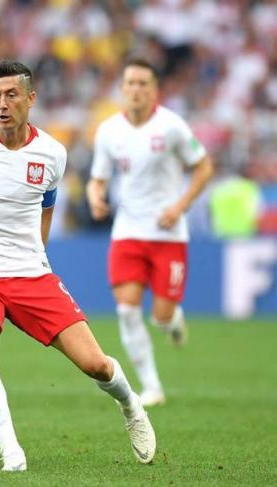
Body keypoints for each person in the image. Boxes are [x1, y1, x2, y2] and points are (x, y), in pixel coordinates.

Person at [0, 60, 156, 472]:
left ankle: (131, 405)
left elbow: (46, 206)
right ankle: (11, 452)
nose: (2, 104)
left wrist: (38, 253)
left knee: (95, 364)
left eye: (11, 95)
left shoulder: (52, 154)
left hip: (30, 274)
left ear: (30, 98)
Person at [87, 58, 214, 407]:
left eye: (143, 83)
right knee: (127, 311)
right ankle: (152, 386)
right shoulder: (109, 130)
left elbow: (203, 167)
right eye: (130, 83)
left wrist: (180, 206)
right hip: (127, 232)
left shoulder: (172, 127)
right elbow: (98, 178)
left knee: (160, 317)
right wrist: (95, 197)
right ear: (122, 89)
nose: (136, 89)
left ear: (155, 89)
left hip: (167, 234)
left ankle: (173, 321)